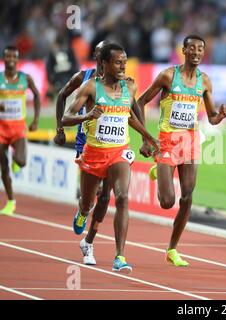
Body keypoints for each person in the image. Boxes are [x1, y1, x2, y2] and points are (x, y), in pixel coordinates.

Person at [62, 43, 158, 273]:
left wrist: (148, 137)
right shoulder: (91, 88)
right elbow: (67, 116)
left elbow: (130, 116)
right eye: (118, 62)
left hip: (118, 152)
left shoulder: (130, 87)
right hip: (94, 153)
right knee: (88, 202)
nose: (123, 66)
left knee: (122, 196)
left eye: (124, 62)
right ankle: (83, 212)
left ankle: (120, 256)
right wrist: (87, 116)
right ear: (104, 64)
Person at [137, 35, 226, 267]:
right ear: (184, 51)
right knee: (167, 202)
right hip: (167, 141)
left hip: (190, 141)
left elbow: (212, 118)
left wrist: (221, 115)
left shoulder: (205, 81)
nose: (197, 52)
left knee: (187, 197)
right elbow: (139, 102)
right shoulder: (168, 76)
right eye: (193, 48)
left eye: (201, 49)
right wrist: (146, 137)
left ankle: (172, 249)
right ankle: (159, 168)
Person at [53, 40, 112, 266]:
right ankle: (83, 210)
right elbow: (61, 96)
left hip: (110, 144)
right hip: (86, 141)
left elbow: (134, 108)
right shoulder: (83, 77)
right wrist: (60, 129)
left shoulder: (120, 81)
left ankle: (90, 239)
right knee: (90, 195)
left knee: (106, 194)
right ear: (97, 57)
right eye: (100, 54)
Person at [0, 45, 41, 216]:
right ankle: (11, 201)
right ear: (4, 59)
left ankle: (18, 161)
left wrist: (36, 120)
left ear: (17, 60)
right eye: (8, 56)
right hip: (1, 129)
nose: (10, 60)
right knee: (4, 167)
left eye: (13, 57)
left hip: (18, 129)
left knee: (21, 161)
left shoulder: (26, 79)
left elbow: (37, 95)